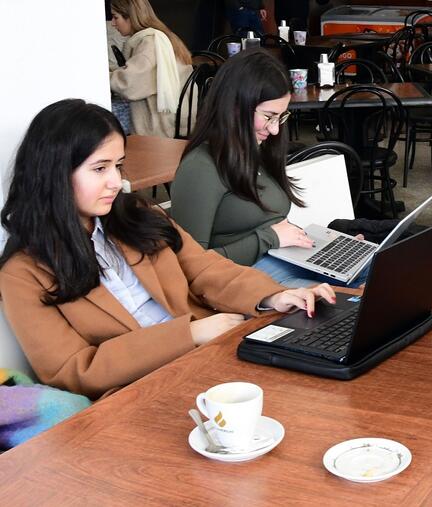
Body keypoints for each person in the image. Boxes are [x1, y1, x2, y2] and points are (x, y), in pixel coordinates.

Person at [0, 99, 335, 400]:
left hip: (214, 354)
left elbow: (206, 269)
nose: (116, 181)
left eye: (118, 165)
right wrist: (187, 334)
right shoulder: (22, 274)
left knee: (321, 382)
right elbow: (72, 370)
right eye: (100, 168)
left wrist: (273, 296)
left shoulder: (139, 217)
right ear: (54, 173)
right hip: (144, 390)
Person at [170, 50, 365, 289]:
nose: (274, 130)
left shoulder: (257, 150)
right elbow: (190, 266)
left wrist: (328, 246)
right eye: (269, 116)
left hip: (286, 259)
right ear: (234, 106)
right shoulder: (200, 168)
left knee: (384, 273)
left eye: (280, 117)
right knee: (356, 300)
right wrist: (268, 239)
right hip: (245, 280)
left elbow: (273, 224)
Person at [108, 0, 194, 138]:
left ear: (130, 16)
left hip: (161, 126)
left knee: (101, 122)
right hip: (181, 118)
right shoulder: (164, 37)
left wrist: (101, 75)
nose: (113, 23)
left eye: (115, 17)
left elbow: (128, 84)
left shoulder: (149, 43)